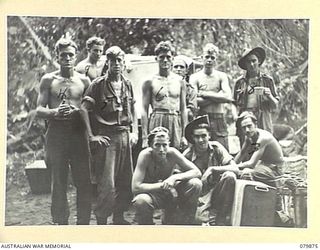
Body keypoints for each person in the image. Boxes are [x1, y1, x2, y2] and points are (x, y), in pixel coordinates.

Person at [36, 38, 92, 225]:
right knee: (58, 181)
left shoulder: (84, 80)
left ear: (76, 57)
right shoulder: (48, 80)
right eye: (63, 55)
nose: (67, 58)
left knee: (83, 180)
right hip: (56, 133)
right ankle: (61, 222)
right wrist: (54, 112)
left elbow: (90, 108)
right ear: (57, 57)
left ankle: (83, 222)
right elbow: (39, 110)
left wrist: (78, 111)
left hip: (78, 132)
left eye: (70, 55)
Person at [80, 46, 138, 225]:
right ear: (108, 63)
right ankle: (102, 221)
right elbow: (83, 109)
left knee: (125, 180)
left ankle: (119, 218)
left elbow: (133, 109)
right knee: (107, 184)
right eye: (113, 61)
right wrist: (91, 136)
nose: (117, 64)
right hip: (107, 138)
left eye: (120, 61)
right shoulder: (98, 84)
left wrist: (134, 130)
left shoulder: (127, 83)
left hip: (125, 137)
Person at [132, 127, 202, 225]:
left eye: (164, 145)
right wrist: (163, 185)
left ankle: (186, 222)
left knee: (196, 183)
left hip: (170, 193)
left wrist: (174, 178)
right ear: (151, 146)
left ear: (168, 144)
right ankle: (148, 230)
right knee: (141, 200)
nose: (161, 149)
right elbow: (135, 187)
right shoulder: (145, 156)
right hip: (152, 194)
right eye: (157, 145)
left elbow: (197, 172)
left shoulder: (172, 153)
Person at [183, 115, 237, 225]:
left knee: (230, 176)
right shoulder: (187, 155)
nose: (201, 140)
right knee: (200, 221)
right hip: (199, 197)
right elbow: (178, 178)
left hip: (218, 192)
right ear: (193, 138)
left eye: (204, 136)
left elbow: (235, 168)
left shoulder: (216, 148)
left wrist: (214, 169)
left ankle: (221, 216)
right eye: (197, 137)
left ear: (209, 136)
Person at [141, 41, 188, 150]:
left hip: (175, 119)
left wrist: (184, 135)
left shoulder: (180, 81)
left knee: (175, 153)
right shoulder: (149, 81)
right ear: (156, 58)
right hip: (157, 117)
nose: (165, 60)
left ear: (172, 58)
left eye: (168, 57)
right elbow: (144, 109)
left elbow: (183, 108)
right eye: (162, 57)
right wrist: (144, 137)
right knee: (157, 152)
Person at [189, 43, 233, 151]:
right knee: (202, 150)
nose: (209, 60)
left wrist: (205, 94)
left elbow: (227, 96)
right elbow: (194, 100)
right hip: (202, 117)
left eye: (212, 57)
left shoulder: (221, 76)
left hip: (219, 117)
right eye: (207, 57)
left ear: (216, 60)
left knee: (222, 149)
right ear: (201, 58)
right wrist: (218, 97)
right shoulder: (195, 77)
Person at [234, 47, 279, 144]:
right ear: (245, 64)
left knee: (264, 145)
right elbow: (233, 103)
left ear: (259, 61)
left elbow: (275, 105)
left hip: (263, 118)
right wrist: (237, 116)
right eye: (248, 62)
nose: (251, 64)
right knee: (247, 147)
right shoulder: (239, 82)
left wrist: (269, 96)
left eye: (254, 61)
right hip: (246, 118)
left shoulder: (267, 80)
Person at [172, 55, 197, 121]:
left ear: (186, 71)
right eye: (176, 67)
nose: (178, 69)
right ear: (171, 69)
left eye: (182, 67)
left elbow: (192, 109)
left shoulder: (190, 90)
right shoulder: (165, 86)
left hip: (183, 120)